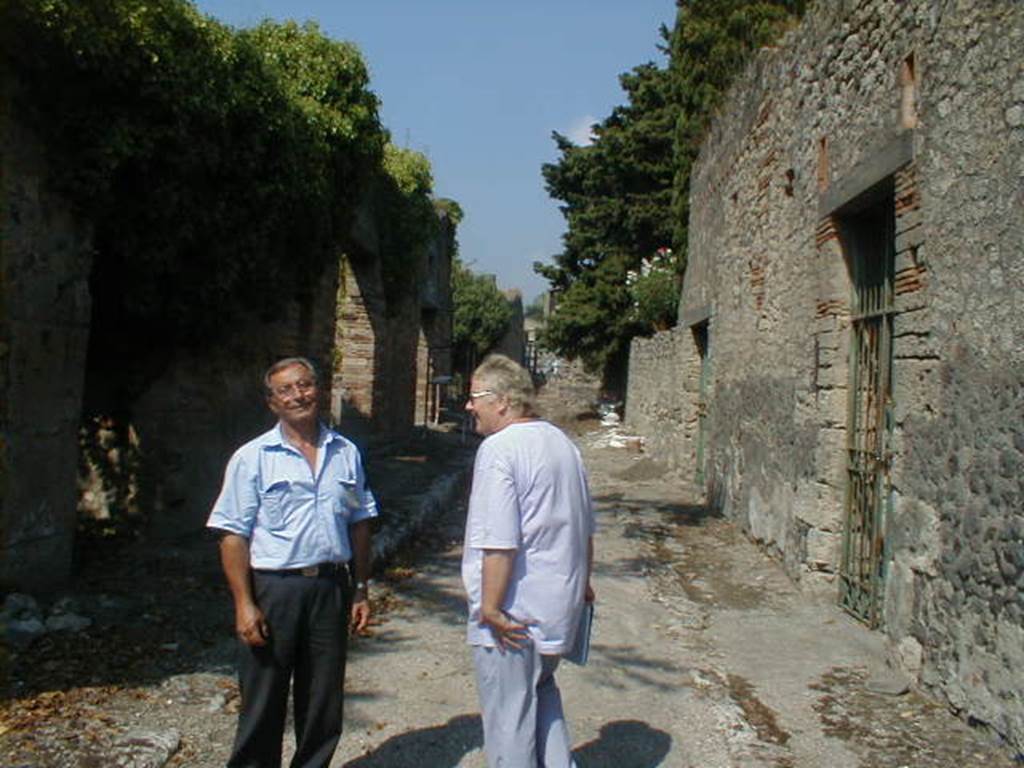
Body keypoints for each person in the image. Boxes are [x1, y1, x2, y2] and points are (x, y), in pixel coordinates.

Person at [207, 356, 376, 768]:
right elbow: (232, 534)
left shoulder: (346, 453)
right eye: (286, 389)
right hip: (275, 590)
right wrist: (244, 604)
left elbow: (360, 523)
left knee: (323, 702)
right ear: (272, 403)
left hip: (330, 589)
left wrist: (361, 587)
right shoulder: (253, 457)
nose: (298, 395)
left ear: (318, 389)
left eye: (305, 385)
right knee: (263, 700)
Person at [461, 354, 595, 768]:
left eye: (474, 397)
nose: (469, 406)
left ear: (501, 401)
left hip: (513, 615)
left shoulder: (499, 449)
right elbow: (584, 528)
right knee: (542, 694)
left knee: (509, 720)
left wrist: (490, 607)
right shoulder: (562, 444)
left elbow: (499, 540)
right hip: (558, 607)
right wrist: (582, 585)